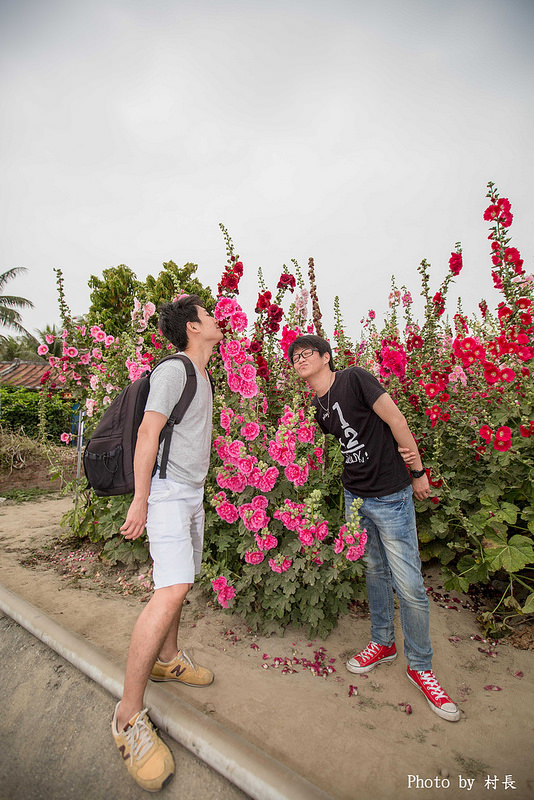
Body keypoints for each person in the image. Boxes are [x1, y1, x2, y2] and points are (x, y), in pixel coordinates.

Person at [288, 334, 461, 723]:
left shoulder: (355, 378)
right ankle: (383, 643)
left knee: (411, 585)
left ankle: (421, 666)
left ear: (327, 357)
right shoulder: (317, 407)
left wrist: (417, 472)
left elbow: (395, 419)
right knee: (375, 574)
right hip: (356, 499)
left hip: (391, 494)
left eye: (306, 353)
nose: (299, 359)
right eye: (294, 357)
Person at [111, 295, 223, 791]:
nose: (218, 318)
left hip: (190, 493)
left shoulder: (203, 374)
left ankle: (167, 661)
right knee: (171, 589)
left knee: (181, 584)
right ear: (194, 326)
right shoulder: (175, 370)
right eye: (210, 313)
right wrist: (141, 500)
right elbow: (147, 434)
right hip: (168, 494)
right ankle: (127, 717)